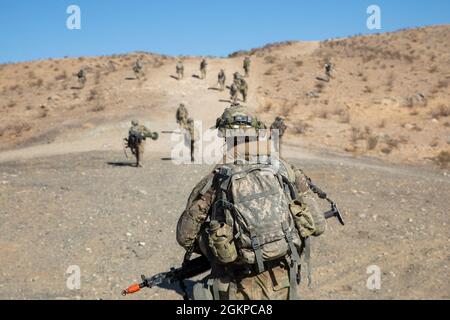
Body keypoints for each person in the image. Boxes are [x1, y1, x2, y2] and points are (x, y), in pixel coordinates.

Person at [176, 105, 326, 300]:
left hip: (235, 286)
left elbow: (185, 237)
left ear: (224, 137)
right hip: (282, 282)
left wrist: (220, 245)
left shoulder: (215, 181)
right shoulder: (286, 170)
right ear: (257, 134)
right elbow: (318, 225)